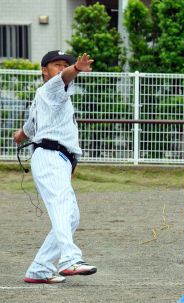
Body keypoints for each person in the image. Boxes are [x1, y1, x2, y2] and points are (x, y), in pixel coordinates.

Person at [13, 50, 97, 284]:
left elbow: (30, 126)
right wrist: (76, 68)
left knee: (71, 217)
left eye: (65, 65)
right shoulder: (51, 88)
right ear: (44, 70)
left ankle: (39, 269)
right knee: (62, 207)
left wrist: (20, 134)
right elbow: (64, 78)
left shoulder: (48, 98)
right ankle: (70, 259)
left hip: (57, 158)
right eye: (56, 64)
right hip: (50, 156)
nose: (61, 68)